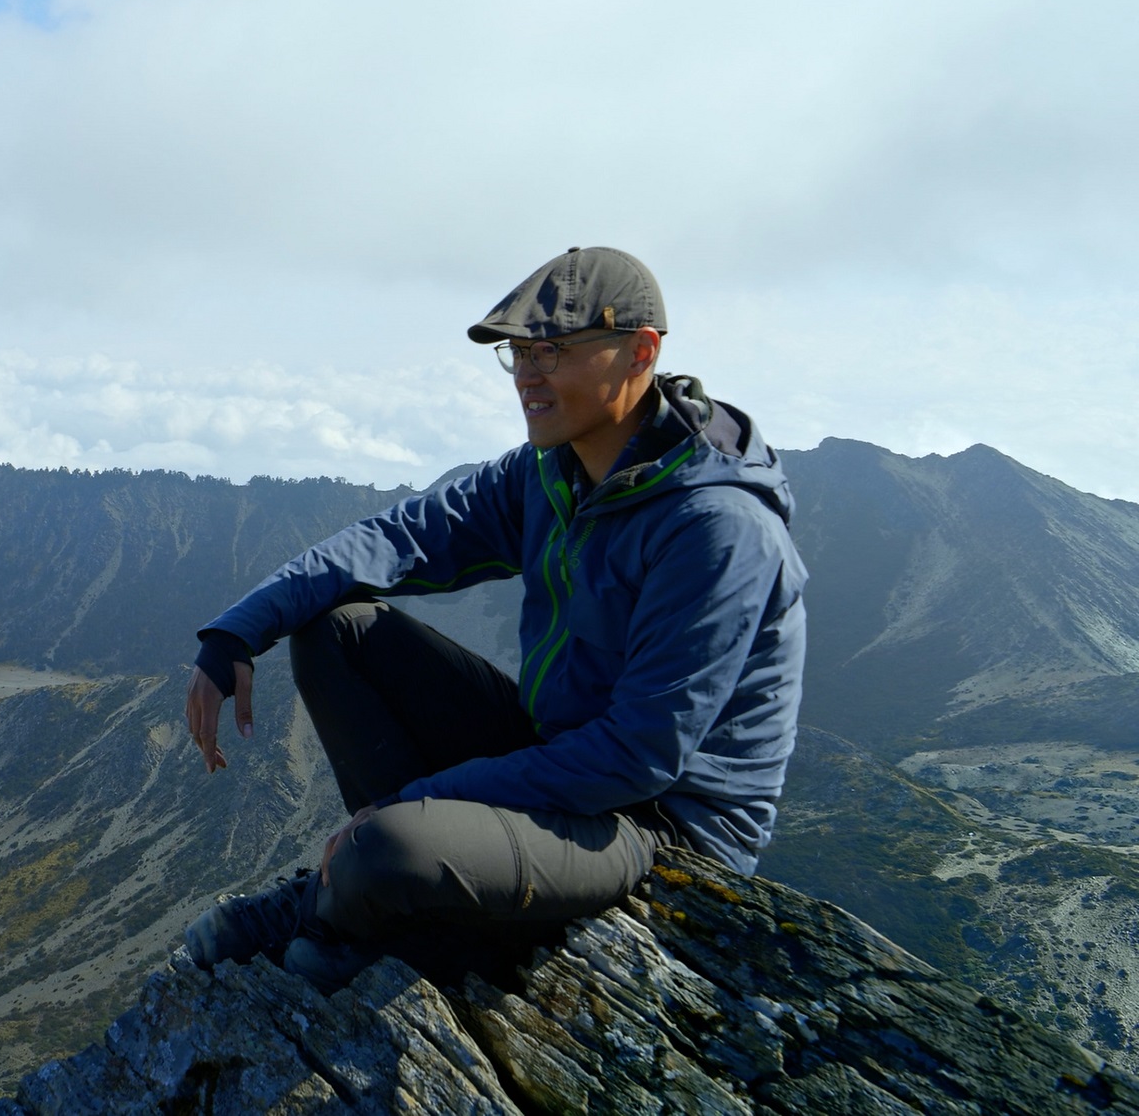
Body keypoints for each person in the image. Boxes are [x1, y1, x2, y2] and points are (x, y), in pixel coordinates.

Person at [181, 246, 807, 990]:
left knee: (387, 844)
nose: (529, 375)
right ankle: (384, 881)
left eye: (553, 351)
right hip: (564, 753)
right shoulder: (556, 469)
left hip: (657, 824)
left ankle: (356, 904)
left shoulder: (716, 526)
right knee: (335, 628)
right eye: (518, 354)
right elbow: (398, 537)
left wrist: (413, 802)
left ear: (641, 351)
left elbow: (635, 757)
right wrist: (237, 630)